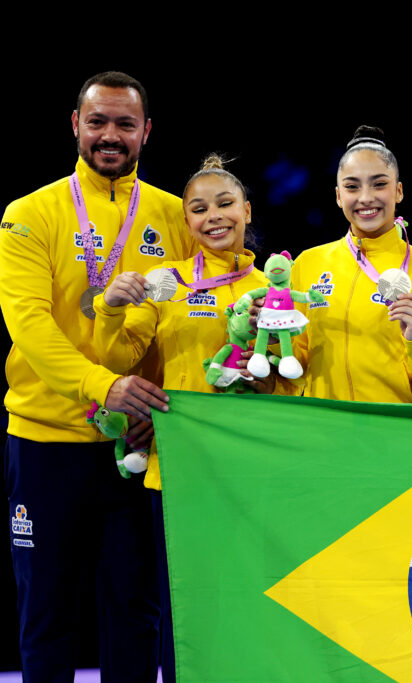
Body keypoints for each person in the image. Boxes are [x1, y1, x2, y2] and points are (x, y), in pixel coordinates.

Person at [0, 71, 197, 681]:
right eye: (98, 122)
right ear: (76, 126)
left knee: (134, 613)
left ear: (146, 132)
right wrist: (103, 386)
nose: (110, 136)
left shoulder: (177, 214)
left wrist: (165, 417)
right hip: (46, 439)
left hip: (133, 446)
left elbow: (188, 323)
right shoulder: (29, 214)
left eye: (124, 124)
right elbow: (29, 326)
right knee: (48, 612)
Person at [92, 154, 273, 682]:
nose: (213, 216)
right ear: (187, 221)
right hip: (177, 473)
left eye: (224, 204)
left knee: (244, 598)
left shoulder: (270, 286)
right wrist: (110, 309)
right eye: (198, 209)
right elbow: (118, 360)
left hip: (248, 471)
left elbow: (290, 378)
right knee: (183, 606)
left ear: (246, 209)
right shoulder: (164, 283)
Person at [286, 126, 412, 403]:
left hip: (394, 436)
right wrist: (273, 340)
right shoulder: (307, 264)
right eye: (352, 186)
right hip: (325, 435)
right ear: (338, 196)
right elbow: (294, 371)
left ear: (399, 191)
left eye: (379, 184)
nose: (366, 197)